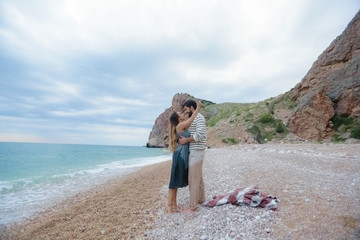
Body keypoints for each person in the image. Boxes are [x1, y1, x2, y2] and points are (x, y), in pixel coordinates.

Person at [167, 100, 202, 213]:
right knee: (173, 182)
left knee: (176, 181)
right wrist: (198, 108)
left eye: (183, 112)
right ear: (178, 118)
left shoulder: (182, 125)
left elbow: (190, 120)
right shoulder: (180, 126)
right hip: (180, 156)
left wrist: (189, 111)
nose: (183, 114)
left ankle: (174, 205)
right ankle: (169, 206)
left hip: (182, 154)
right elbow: (191, 119)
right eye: (180, 114)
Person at [179, 99, 207, 213]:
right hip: (197, 150)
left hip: (196, 150)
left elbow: (200, 134)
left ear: (191, 108)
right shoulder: (195, 117)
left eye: (186, 109)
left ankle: (193, 206)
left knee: (193, 178)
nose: (185, 112)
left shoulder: (199, 118)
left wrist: (186, 140)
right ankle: (201, 199)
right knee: (198, 177)